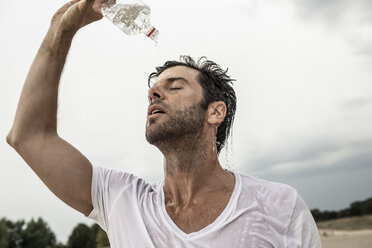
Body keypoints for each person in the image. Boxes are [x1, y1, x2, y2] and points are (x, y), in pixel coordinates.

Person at [6, 0, 322, 247]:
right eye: (154, 89)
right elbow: (29, 136)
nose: (153, 92)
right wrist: (62, 28)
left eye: (175, 86)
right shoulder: (122, 200)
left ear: (215, 112)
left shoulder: (279, 206)